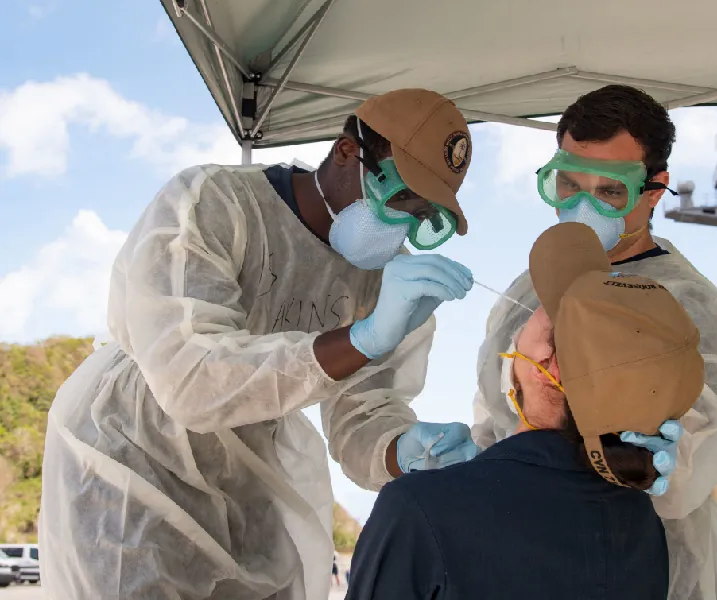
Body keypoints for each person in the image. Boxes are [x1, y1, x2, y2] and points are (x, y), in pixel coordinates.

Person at [39, 89, 482, 600]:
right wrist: (361, 339)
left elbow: (363, 415)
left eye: (425, 216)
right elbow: (190, 380)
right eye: (399, 197)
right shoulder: (214, 203)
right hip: (132, 450)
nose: (404, 223)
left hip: (248, 473)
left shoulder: (392, 284)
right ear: (346, 151)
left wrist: (402, 449)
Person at [471, 85, 717, 599]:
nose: (584, 205)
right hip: (528, 549)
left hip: (652, 563)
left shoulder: (691, 306)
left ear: (655, 190)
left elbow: (686, 474)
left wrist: (665, 465)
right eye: (568, 184)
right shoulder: (524, 294)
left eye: (610, 191)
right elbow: (494, 420)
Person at [346, 222, 705, 600]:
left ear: (548, 365)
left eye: (544, 310)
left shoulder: (418, 509)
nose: (521, 322)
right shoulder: (640, 520)